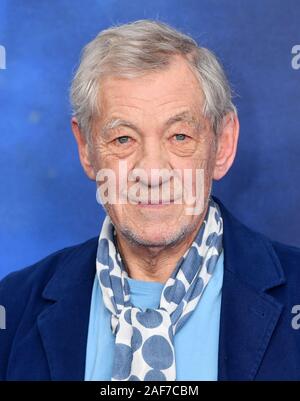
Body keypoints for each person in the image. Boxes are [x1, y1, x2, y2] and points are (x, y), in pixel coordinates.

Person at [1, 20, 300, 381]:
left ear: (223, 144)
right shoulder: (13, 309)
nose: (153, 172)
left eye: (179, 136)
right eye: (123, 139)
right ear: (86, 149)